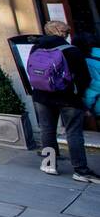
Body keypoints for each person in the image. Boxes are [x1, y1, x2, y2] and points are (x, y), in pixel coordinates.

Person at [27, 21, 100, 183]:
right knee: (73, 133)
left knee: (47, 130)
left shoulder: (36, 48)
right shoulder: (72, 51)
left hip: (41, 96)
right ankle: (80, 170)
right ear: (64, 33)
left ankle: (49, 164)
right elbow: (84, 77)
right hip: (68, 99)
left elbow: (30, 70)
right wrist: (78, 94)